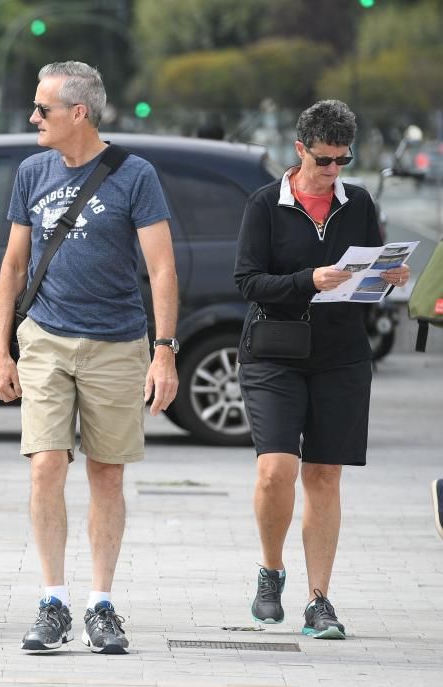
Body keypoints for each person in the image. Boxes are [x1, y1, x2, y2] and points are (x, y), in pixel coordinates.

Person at [0, 61, 179, 654]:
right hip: (45, 337)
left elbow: (161, 269)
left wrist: (165, 352)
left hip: (118, 341)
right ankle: (53, 599)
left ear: (79, 112)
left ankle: (101, 603)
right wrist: (2, 348)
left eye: (42, 109)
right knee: (46, 465)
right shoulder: (32, 171)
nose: (33, 118)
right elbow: (14, 264)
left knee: (107, 472)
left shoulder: (136, 176)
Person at [235, 100, 411, 640]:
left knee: (324, 475)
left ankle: (319, 600)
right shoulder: (266, 203)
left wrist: (390, 277)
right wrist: (307, 281)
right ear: (300, 149)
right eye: (324, 158)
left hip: (341, 355)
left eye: (343, 159)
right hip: (274, 352)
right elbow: (247, 281)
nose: (334, 169)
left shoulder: (358, 202)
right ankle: (271, 571)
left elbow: (373, 266)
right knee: (276, 469)